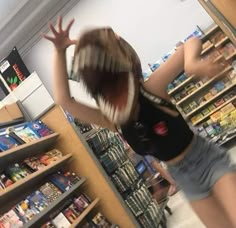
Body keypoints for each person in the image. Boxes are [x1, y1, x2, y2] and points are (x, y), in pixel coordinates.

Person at [44, 17, 236, 227]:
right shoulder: (112, 120)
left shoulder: (152, 89)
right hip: (184, 177)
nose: (117, 97)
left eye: (117, 83)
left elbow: (190, 43)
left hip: (207, 159)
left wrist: (191, 64)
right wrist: (60, 51)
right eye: (107, 92)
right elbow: (64, 100)